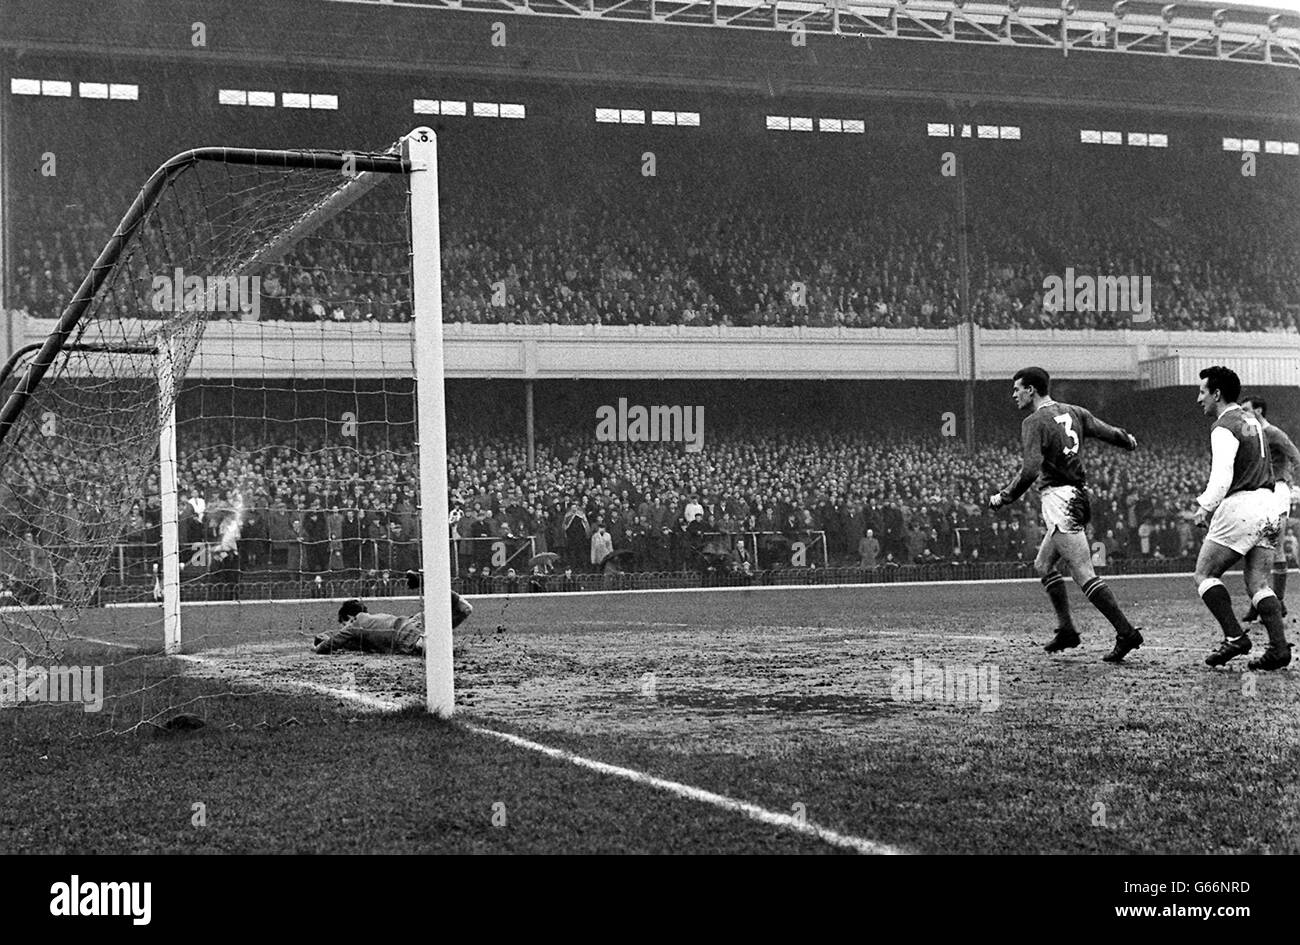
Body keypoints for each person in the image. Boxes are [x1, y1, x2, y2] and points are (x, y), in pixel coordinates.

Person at [988, 366, 1145, 662]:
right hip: (1077, 495)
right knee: (1044, 564)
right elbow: (1106, 431)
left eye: (1017, 389)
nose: (1014, 395)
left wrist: (1004, 497)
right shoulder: (1074, 411)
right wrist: (1127, 440)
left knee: (1083, 571)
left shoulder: (1034, 421)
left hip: (1059, 498)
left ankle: (1126, 632)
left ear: (1031, 390)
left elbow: (1030, 469)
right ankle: (1067, 629)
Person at [1192, 368, 1292, 669]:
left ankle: (1235, 637)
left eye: (1202, 392)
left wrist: (1205, 506)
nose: (1199, 399)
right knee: (1258, 582)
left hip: (1242, 506)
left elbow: (1222, 477)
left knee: (1204, 574)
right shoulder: (1254, 422)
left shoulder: (1225, 425)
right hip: (1269, 504)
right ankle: (1278, 648)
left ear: (1217, 394)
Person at [1239, 395, 1300, 624]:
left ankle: (1279, 602)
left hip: (1277, 492)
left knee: (1274, 547)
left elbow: (1295, 455)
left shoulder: (1274, 433)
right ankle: (1258, 601)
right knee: (1253, 547)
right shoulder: (1250, 433)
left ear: (1259, 411)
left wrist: (1287, 478)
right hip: (1260, 492)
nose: (1242, 413)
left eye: (1246, 409)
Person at [313, 594, 473, 656]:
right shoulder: (374, 619)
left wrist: (318, 647)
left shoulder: (356, 624)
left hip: (403, 635)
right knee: (464, 611)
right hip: (410, 621)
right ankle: (450, 595)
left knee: (436, 651)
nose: (343, 628)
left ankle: (442, 646)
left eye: (343, 624)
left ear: (349, 617)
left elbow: (334, 642)